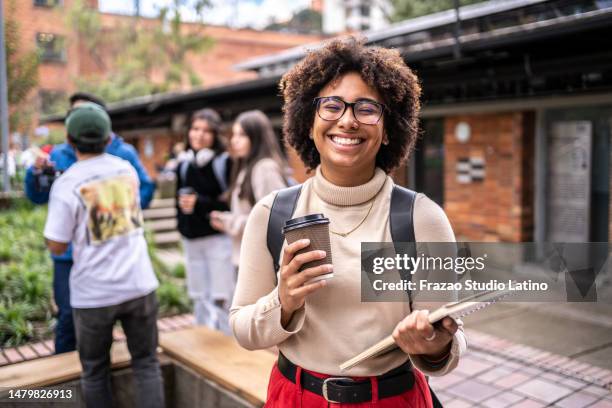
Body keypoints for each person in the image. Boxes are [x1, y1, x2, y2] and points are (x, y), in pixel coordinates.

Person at [229, 38, 467, 407]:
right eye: (332, 105)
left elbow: (445, 347)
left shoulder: (422, 219)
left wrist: (433, 345)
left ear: (388, 129)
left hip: (391, 399)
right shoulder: (271, 213)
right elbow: (244, 330)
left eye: (367, 108)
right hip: (295, 397)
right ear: (309, 123)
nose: (348, 120)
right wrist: (284, 301)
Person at [43, 103, 164, 408]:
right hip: (139, 283)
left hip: (94, 293)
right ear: (109, 138)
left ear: (70, 141)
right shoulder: (125, 170)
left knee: (95, 372)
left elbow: (57, 245)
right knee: (147, 364)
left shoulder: (67, 183)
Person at [23, 92, 155, 354]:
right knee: (68, 318)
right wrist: (35, 172)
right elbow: (38, 196)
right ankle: (64, 384)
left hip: (117, 254)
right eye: (75, 114)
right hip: (70, 257)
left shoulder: (123, 156)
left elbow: (147, 189)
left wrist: (110, 209)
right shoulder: (58, 155)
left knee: (101, 341)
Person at [175, 108, 235, 333]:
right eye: (195, 129)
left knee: (221, 295)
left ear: (215, 135)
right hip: (191, 239)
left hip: (217, 238)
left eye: (206, 131)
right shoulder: (184, 164)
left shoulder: (223, 163)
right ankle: (202, 338)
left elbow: (230, 203)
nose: (199, 135)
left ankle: (227, 344)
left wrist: (199, 202)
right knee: (198, 293)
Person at [209, 109, 290, 268]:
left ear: (257, 137)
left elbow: (272, 217)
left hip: (261, 262)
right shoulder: (246, 167)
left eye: (241, 135)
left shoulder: (264, 168)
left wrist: (229, 222)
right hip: (247, 258)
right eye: (234, 134)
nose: (234, 140)